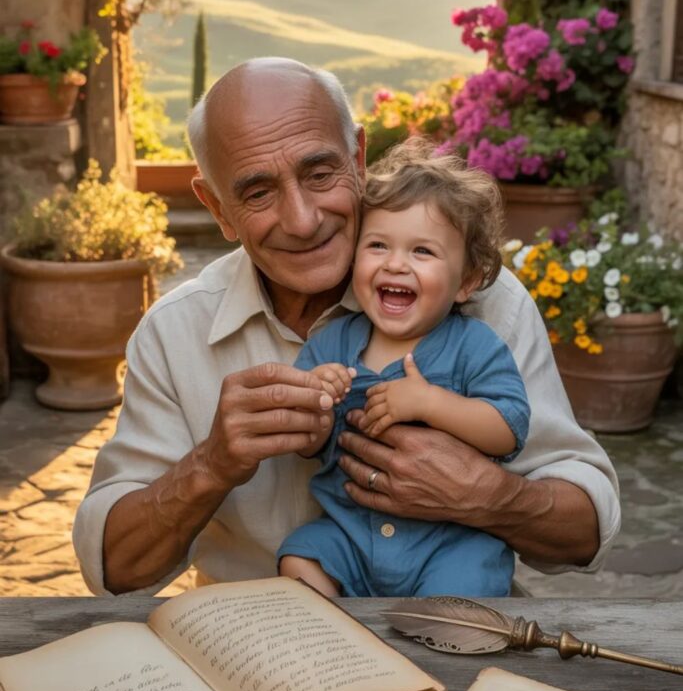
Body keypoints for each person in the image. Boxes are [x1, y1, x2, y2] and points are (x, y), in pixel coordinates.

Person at [72, 57, 620, 596]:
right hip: (258, 645)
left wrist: (489, 497)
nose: (303, 220)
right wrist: (211, 465)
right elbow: (115, 570)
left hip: (447, 625)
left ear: (357, 156)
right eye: (258, 192)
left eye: (319, 173)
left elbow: (584, 531)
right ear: (217, 208)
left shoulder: (485, 302)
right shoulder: (174, 333)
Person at [276, 141, 530, 597]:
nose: (396, 263)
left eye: (422, 252)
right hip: (350, 534)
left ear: (467, 281)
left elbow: (509, 427)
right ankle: (333, 643)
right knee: (300, 559)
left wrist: (432, 403)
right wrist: (316, 401)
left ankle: (434, 652)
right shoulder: (331, 343)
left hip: (450, 540)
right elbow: (306, 446)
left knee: (464, 586)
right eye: (377, 246)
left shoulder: (474, 345)